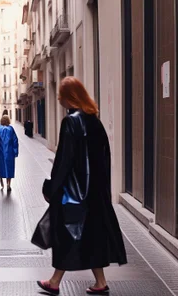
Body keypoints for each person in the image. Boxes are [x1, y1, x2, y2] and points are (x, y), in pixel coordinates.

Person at [35, 77, 127, 295]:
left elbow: (64, 160)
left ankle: (55, 282)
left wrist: (52, 188)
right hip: (95, 193)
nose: (59, 100)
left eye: (61, 96)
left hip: (74, 193)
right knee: (92, 237)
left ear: (69, 97)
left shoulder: (71, 121)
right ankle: (100, 282)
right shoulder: (95, 121)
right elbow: (105, 157)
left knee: (66, 236)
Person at [0, 115, 19, 191]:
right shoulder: (11, 129)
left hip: (1, 152)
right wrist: (15, 152)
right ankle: (8, 183)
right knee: (9, 168)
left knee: (1, 166)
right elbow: (15, 140)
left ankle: (1, 181)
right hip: (10, 152)